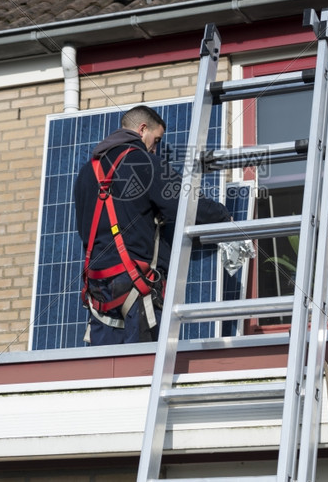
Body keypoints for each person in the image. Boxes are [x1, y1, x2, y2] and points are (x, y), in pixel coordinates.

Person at [74, 105, 231, 345]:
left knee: (104, 373)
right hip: (134, 285)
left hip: (97, 289)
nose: (155, 149)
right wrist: (224, 216)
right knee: (140, 370)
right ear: (142, 129)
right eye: (155, 140)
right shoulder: (143, 163)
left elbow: (84, 229)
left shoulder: (86, 173)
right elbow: (188, 206)